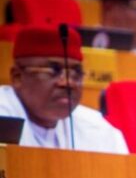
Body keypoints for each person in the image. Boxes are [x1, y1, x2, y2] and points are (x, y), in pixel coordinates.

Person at [0, 25, 128, 153]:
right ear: (17, 77)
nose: (68, 82)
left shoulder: (98, 130)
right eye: (54, 71)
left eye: (76, 73)